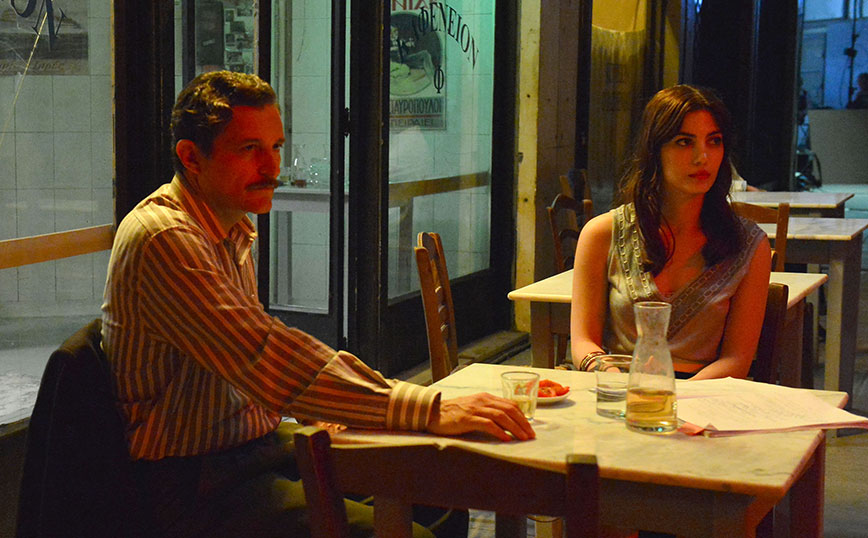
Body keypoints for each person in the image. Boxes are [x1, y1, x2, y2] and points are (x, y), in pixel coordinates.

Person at [101, 70, 534, 538]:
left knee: (439, 493)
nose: (271, 166)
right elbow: (264, 355)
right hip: (192, 480)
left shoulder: (227, 225)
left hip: (255, 445)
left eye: (276, 147)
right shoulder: (165, 238)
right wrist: (426, 407)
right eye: (249, 149)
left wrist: (326, 408)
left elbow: (251, 363)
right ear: (191, 157)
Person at [570, 84, 772, 380]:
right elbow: (582, 341)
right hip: (617, 386)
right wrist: (617, 382)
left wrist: (667, 398)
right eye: (684, 142)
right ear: (655, 151)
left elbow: (736, 361)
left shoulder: (749, 245)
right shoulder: (602, 233)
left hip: (704, 395)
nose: (702, 157)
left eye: (714, 141)